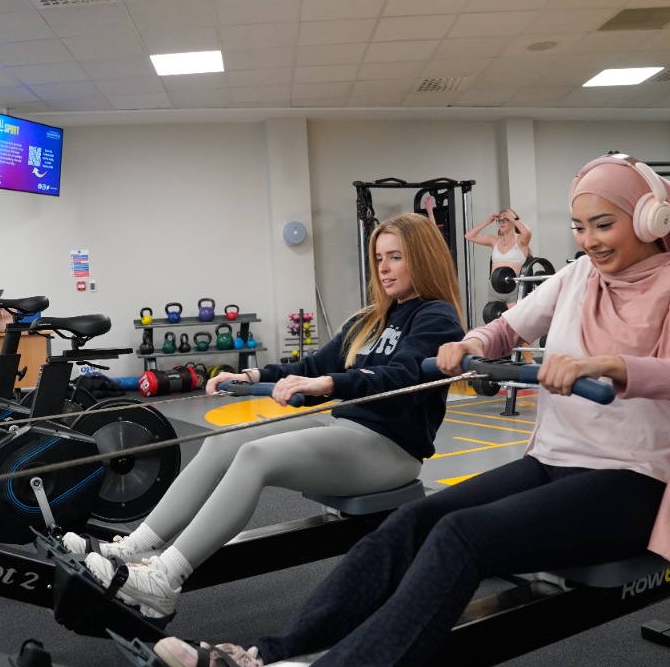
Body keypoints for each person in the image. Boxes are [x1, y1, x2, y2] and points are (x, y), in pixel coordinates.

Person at [152, 154, 670, 667]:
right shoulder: (579, 276)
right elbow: (507, 327)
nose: (590, 241)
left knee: (463, 538)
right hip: (553, 462)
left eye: (603, 225)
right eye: (580, 227)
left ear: (651, 219)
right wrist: (472, 342)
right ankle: (268, 657)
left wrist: (616, 367)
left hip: (636, 482)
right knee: (413, 522)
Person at [60, 212, 465, 618]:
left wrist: (330, 384)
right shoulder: (370, 318)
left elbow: (398, 379)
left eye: (395, 257)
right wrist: (253, 374)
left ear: (423, 258)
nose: (384, 267)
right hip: (347, 430)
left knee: (257, 456)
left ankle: (164, 578)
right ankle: (134, 547)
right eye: (379, 258)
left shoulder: (435, 317)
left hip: (390, 450)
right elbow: (312, 365)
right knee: (224, 439)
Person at [465, 207, 532, 304]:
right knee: (495, 318)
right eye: (499, 220)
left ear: (512, 221)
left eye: (505, 220)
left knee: (512, 318)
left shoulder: (521, 240)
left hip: (514, 286)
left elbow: (527, 232)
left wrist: (514, 218)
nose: (501, 223)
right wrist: (488, 221)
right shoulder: (494, 240)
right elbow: (469, 236)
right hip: (495, 287)